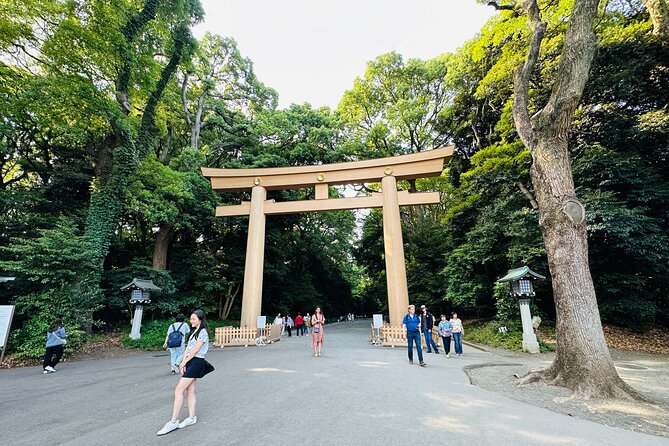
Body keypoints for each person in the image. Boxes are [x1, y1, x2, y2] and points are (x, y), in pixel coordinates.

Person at [157, 309, 212, 436]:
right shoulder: (194, 332)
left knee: (178, 390)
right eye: (191, 319)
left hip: (197, 362)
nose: (191, 321)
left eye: (193, 319)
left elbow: (196, 350)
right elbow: (188, 348)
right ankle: (192, 417)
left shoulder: (202, 332)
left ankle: (173, 421)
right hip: (191, 362)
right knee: (190, 390)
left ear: (200, 319)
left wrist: (183, 362)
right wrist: (184, 361)